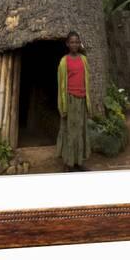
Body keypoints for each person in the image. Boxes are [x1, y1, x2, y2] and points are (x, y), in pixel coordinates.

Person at [56, 30, 92, 172]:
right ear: (67, 44)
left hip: (82, 99)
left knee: (80, 130)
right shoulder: (64, 62)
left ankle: (79, 161)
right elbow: (61, 85)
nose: (74, 44)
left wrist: (87, 99)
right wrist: (62, 105)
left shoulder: (84, 59)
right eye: (72, 42)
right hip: (70, 99)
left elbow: (87, 79)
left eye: (77, 42)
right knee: (69, 131)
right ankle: (68, 163)